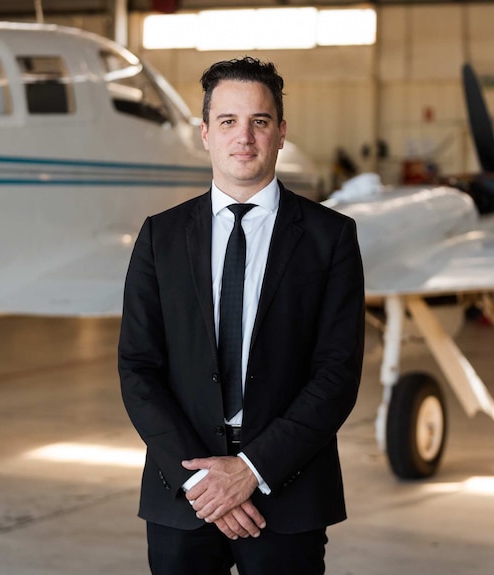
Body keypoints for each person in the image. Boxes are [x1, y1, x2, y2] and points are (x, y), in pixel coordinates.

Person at [118, 56, 365, 575]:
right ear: (205, 133)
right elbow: (138, 368)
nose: (244, 137)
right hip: (183, 494)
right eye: (228, 121)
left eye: (260, 121)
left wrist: (251, 470)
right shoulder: (160, 237)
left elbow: (337, 373)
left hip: (288, 489)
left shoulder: (330, 237)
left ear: (280, 134)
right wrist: (203, 483)